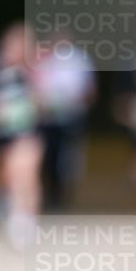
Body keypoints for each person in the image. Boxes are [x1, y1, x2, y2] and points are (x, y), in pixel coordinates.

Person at [30, 30, 96, 210]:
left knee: (69, 158)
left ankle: (64, 196)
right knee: (49, 157)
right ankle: (51, 196)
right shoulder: (44, 60)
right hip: (49, 119)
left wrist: (76, 102)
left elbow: (89, 89)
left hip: (72, 118)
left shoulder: (79, 59)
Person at [0, 22, 44, 248]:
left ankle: (24, 219)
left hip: (24, 132)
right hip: (0, 133)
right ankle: (10, 206)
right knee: (5, 176)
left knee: (24, 173)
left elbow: (40, 104)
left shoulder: (34, 72)